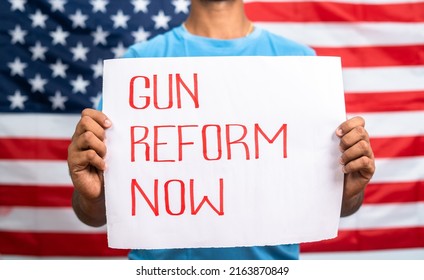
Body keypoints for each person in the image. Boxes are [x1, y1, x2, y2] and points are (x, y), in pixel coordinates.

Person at [67, 0, 375, 260]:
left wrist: (349, 190)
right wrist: (90, 195)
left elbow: (341, 206)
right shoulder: (137, 66)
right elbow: (95, 213)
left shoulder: (301, 65)